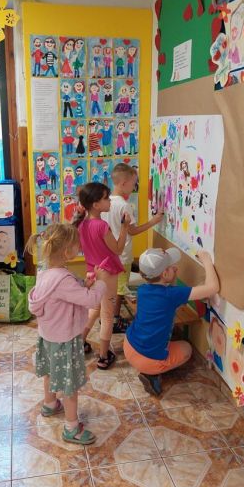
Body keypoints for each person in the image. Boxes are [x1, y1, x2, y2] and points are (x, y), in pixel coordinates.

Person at [27, 224, 106, 445]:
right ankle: (71, 428)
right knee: (70, 385)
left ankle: (50, 404)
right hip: (65, 339)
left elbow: (65, 294)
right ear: (66, 251)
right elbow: (91, 300)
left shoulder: (44, 271)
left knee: (50, 372)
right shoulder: (63, 280)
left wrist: (83, 285)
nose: (79, 247)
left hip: (48, 337)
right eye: (76, 245)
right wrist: (99, 283)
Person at [124, 247, 219, 396]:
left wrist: (171, 277)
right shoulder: (171, 295)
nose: (175, 267)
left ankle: (149, 368)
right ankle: (151, 374)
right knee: (187, 349)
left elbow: (167, 297)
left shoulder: (142, 289)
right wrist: (206, 259)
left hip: (129, 346)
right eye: (171, 266)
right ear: (165, 274)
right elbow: (213, 288)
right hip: (147, 361)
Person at [73, 182, 131, 369]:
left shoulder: (82, 225)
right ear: (96, 205)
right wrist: (125, 227)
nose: (110, 202)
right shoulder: (102, 226)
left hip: (92, 271)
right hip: (106, 273)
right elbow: (118, 249)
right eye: (106, 198)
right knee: (107, 316)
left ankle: (80, 343)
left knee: (95, 309)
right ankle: (104, 356)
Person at [101, 163, 163, 333]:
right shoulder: (123, 205)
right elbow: (133, 231)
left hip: (107, 254)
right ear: (123, 183)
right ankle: (114, 320)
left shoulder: (105, 203)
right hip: (122, 256)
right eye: (133, 183)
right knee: (120, 290)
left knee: (110, 288)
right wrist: (153, 222)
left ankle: (107, 316)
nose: (134, 187)